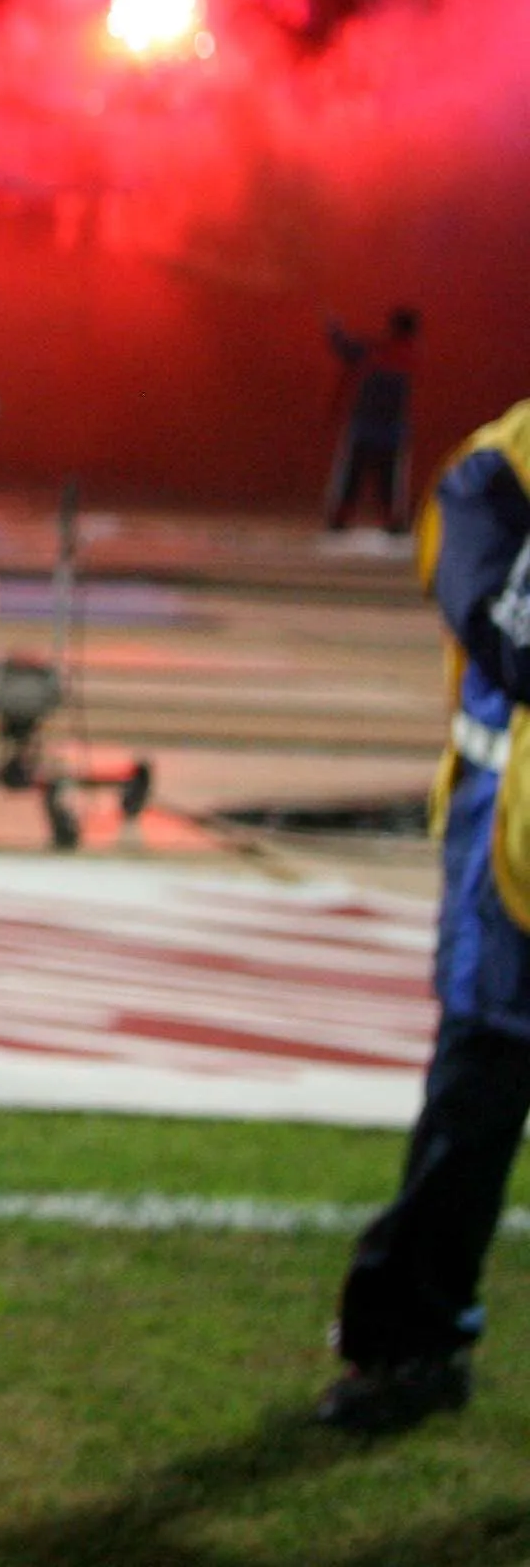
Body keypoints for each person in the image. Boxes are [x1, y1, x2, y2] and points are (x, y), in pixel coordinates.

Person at [321, 399, 530, 1432]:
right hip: (512, 871)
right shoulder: (493, 476)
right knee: (471, 1112)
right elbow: (511, 637)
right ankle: (410, 1345)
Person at [326, 306, 424, 533]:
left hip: (369, 426)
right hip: (389, 430)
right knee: (386, 479)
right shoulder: (405, 352)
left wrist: (334, 329)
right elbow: (349, 350)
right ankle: (390, 520)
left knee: (354, 475)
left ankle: (343, 516)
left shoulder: (378, 350)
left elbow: (346, 350)